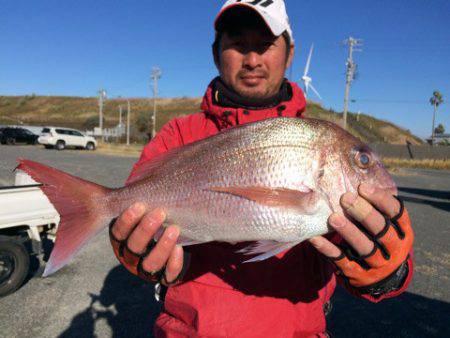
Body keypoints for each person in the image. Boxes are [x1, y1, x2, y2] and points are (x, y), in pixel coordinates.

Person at [109, 1, 414, 336]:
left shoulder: (318, 136)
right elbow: (129, 218)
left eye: (265, 44)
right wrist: (134, 248)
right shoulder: (178, 136)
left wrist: (389, 273)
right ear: (216, 53)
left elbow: (368, 262)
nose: (252, 59)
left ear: (290, 53)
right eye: (238, 44)